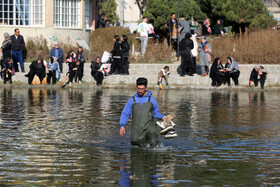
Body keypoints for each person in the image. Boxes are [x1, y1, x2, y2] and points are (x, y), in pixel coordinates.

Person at [119, 77, 167, 148]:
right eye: (138, 88)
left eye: (142, 89)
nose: (140, 91)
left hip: (150, 127)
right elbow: (125, 113)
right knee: (136, 143)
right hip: (137, 128)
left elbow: (156, 113)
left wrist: (163, 117)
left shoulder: (152, 100)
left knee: (153, 143)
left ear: (146, 88)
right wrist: (122, 125)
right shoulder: (132, 100)